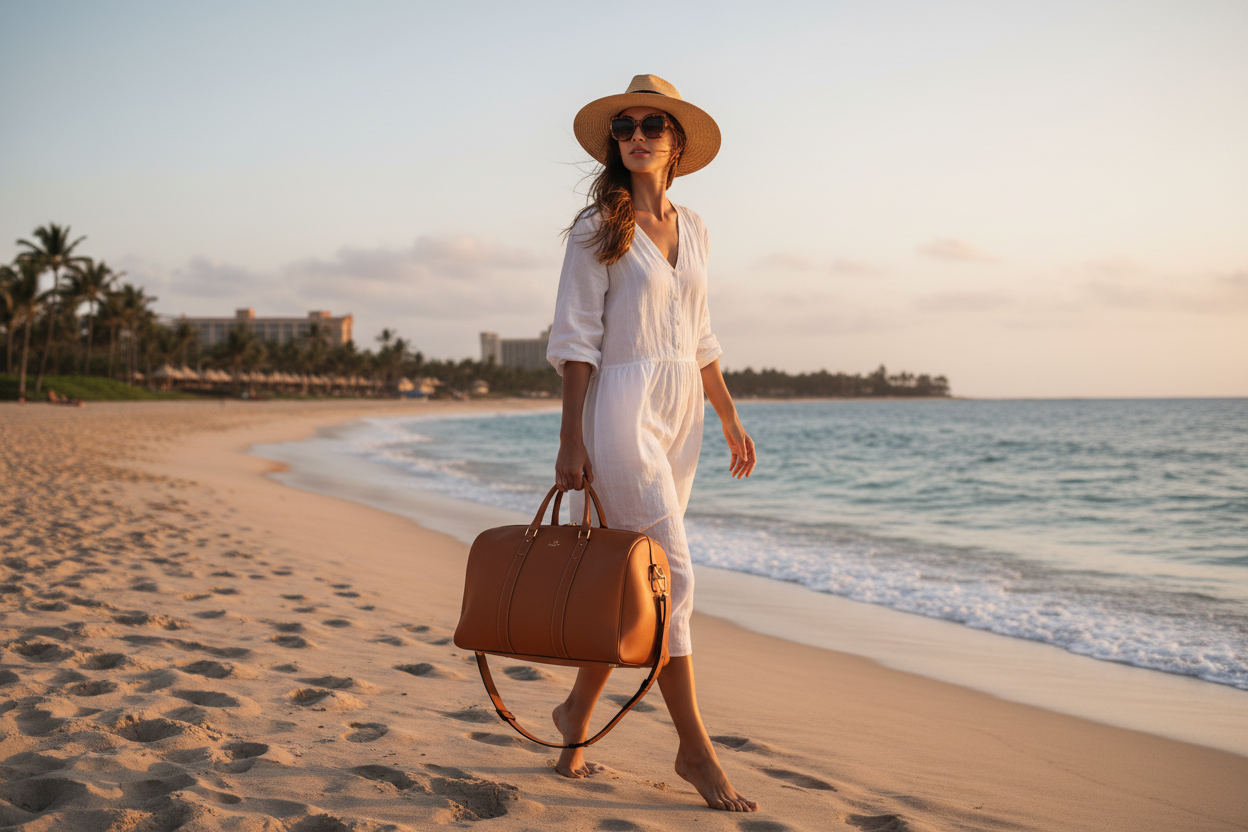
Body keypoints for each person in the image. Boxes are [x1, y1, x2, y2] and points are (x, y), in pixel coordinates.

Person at [546, 75, 758, 813]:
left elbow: (699, 334)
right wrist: (571, 439)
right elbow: (576, 341)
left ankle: (575, 718)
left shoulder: (695, 227)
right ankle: (694, 750)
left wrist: (727, 412)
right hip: (620, 409)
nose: (636, 135)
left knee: (636, 583)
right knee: (675, 581)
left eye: (653, 125)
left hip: (683, 413)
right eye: (626, 126)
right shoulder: (595, 227)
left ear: (677, 144)